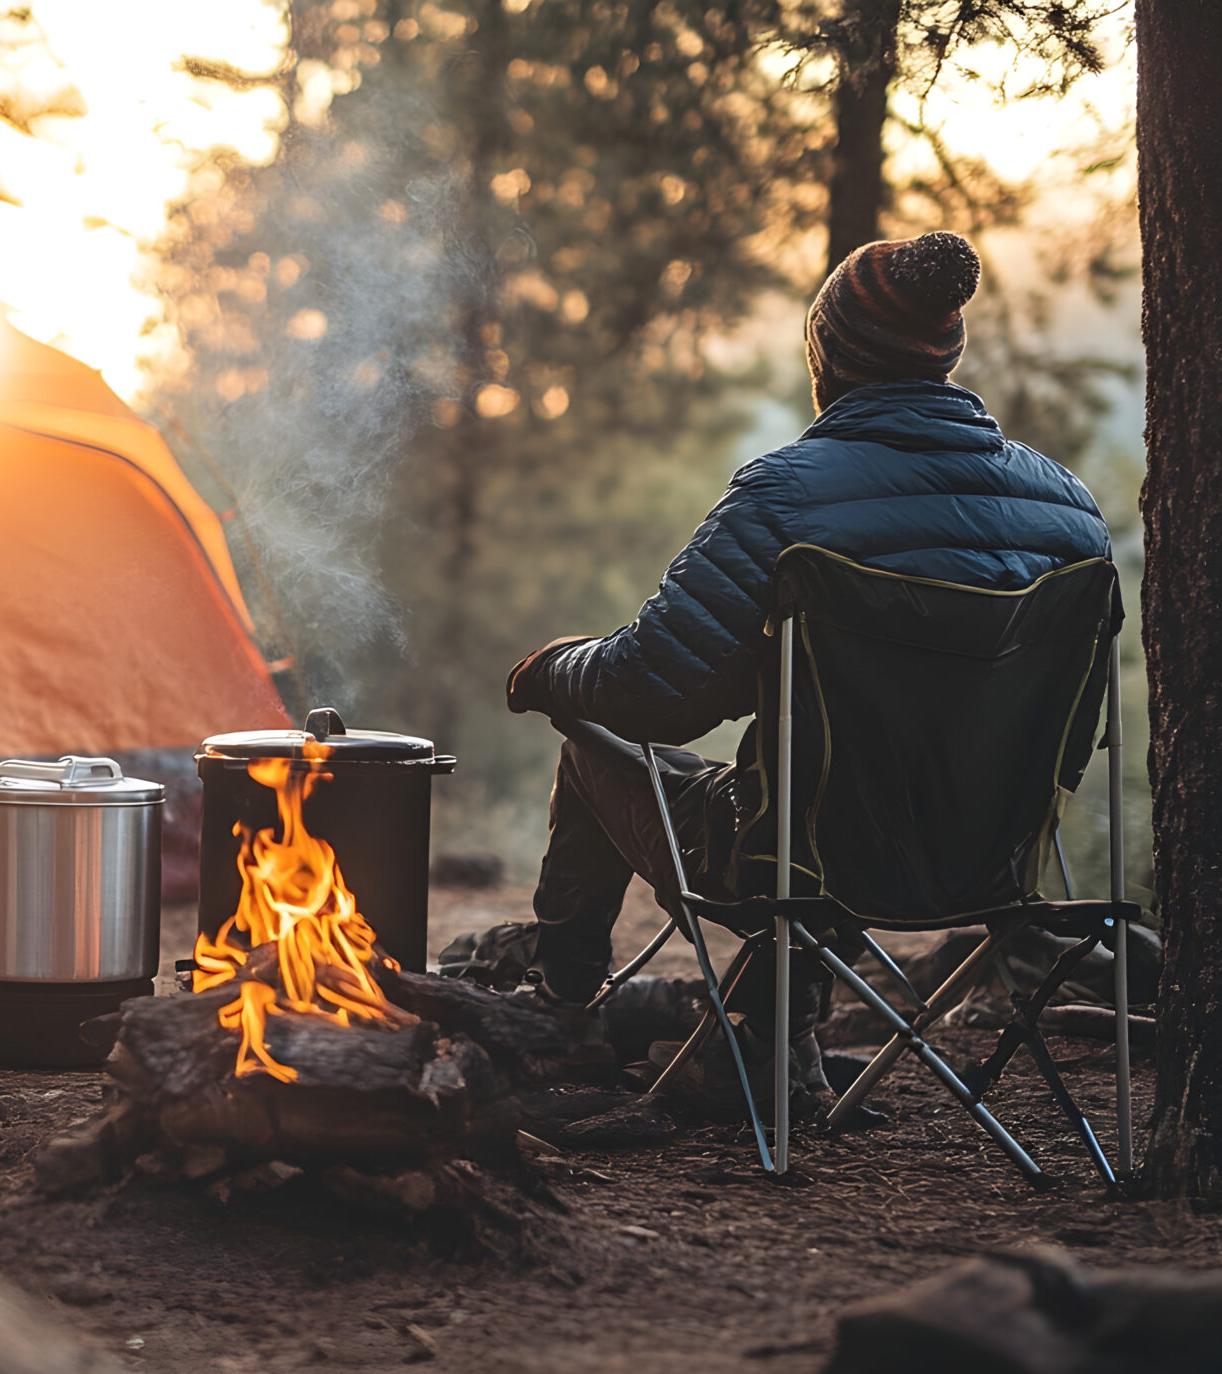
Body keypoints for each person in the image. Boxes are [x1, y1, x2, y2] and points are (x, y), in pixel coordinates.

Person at [442, 230, 1111, 1096]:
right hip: (993, 860)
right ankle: (761, 1042)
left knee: (604, 747)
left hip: (805, 860)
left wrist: (554, 670)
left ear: (827, 358)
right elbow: (1076, 731)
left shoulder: (786, 494)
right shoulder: (1069, 512)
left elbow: (653, 693)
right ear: (944, 359)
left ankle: (565, 1016)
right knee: (830, 795)